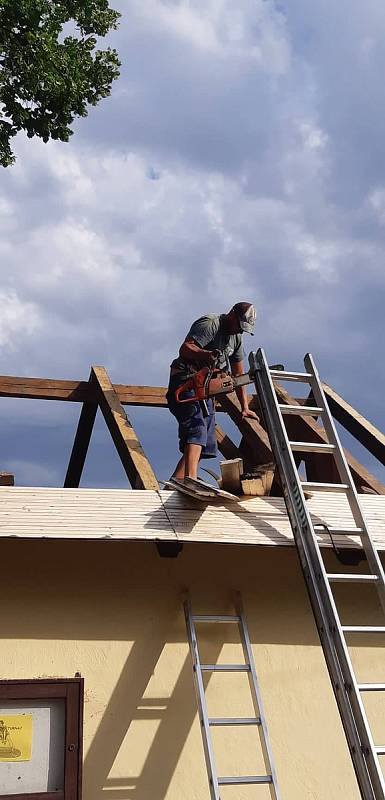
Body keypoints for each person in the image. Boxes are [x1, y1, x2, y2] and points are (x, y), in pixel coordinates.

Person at [166, 301, 259, 481]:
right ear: (232, 315)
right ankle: (190, 479)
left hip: (205, 390)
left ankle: (176, 482)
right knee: (197, 428)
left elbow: (239, 375)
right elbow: (185, 348)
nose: (240, 331)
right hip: (186, 383)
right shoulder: (210, 324)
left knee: (206, 440)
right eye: (239, 326)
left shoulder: (237, 338)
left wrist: (244, 407)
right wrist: (205, 355)